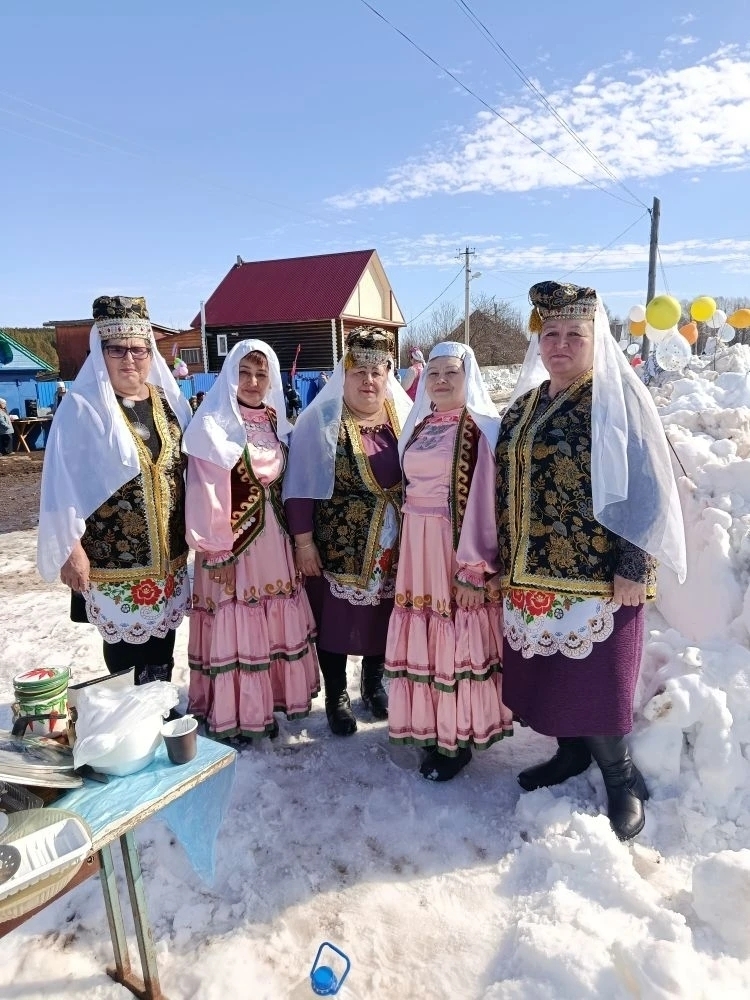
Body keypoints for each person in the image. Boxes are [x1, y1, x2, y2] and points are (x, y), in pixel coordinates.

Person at [494, 281, 686, 840]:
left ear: (594, 337)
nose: (559, 344)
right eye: (550, 333)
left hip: (599, 577)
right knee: (552, 680)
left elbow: (649, 485)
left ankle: (622, 778)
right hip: (531, 576)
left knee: (596, 683)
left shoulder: (615, 401)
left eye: (573, 334)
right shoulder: (523, 408)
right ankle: (569, 754)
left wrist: (635, 565)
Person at [37, 295, 193, 684]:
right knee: (125, 652)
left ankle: (160, 708)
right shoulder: (83, 408)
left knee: (162, 641)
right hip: (111, 560)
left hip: (168, 557)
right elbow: (60, 482)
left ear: (150, 351)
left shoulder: (168, 402)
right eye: (117, 349)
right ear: (100, 351)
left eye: (138, 349)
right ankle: (131, 719)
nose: (129, 359)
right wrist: (70, 551)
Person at [386, 342, 513, 781]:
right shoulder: (420, 425)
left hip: (451, 544)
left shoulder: (479, 429)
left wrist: (472, 567)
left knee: (453, 636)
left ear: (468, 377)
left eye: (450, 373)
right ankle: (430, 724)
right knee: (425, 631)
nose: (440, 380)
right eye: (434, 372)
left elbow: (482, 502)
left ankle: (455, 739)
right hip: (417, 545)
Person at [182, 340, 320, 741]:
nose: (253, 382)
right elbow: (204, 490)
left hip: (272, 541)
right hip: (229, 543)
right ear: (228, 375)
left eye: (261, 374)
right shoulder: (212, 423)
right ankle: (235, 714)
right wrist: (217, 549)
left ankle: (268, 702)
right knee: (236, 621)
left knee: (269, 620)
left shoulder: (276, 421)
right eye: (244, 372)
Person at [283, 327, 412, 735]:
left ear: (389, 373)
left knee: (383, 618)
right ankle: (337, 695)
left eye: (377, 371)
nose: (368, 380)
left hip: (393, 547)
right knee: (335, 622)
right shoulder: (319, 422)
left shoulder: (404, 416)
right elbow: (299, 487)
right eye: (359, 372)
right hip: (337, 546)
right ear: (345, 373)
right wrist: (303, 542)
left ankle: (373, 684)